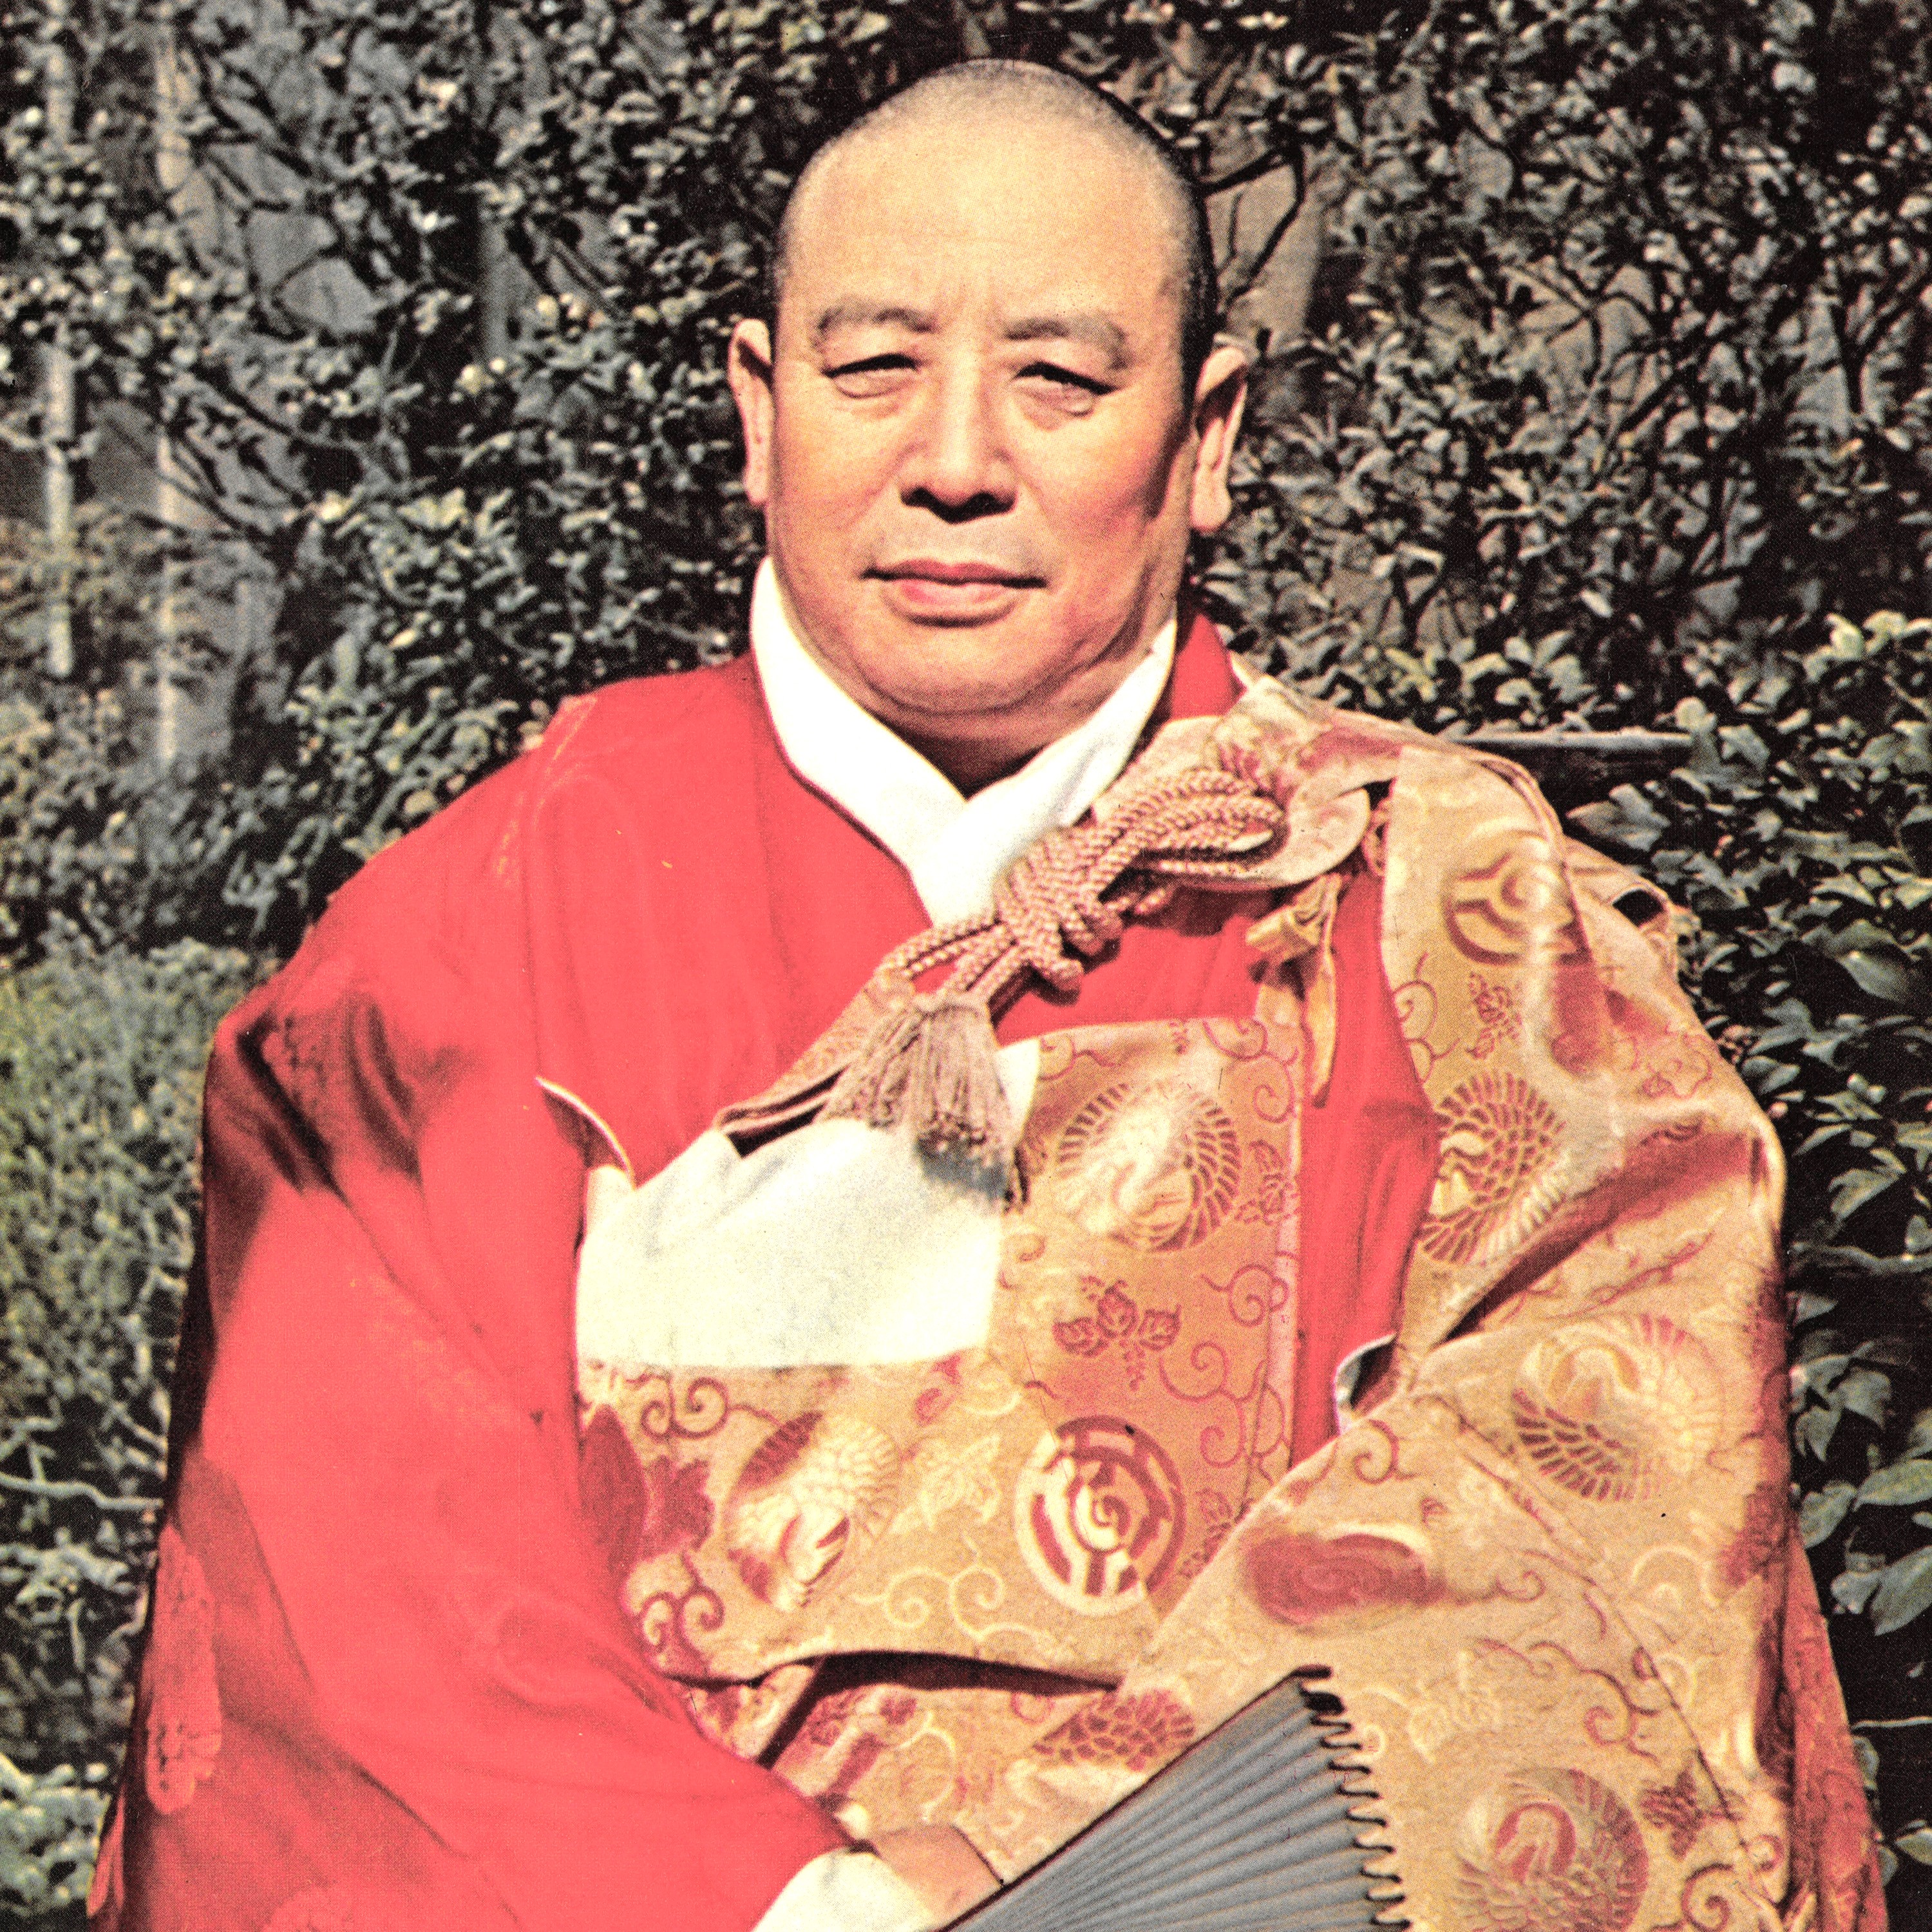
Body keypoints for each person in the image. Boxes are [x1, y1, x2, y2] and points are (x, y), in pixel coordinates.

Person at [92, 59, 1883, 1932]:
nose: (956, 460)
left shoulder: (1452, 923)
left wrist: (1031, 1872)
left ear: (1208, 436)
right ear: (758, 411)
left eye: (1059, 381)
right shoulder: (457, 950)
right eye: (874, 369)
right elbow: (357, 1593)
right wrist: (806, 1907)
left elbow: (1599, 1506)